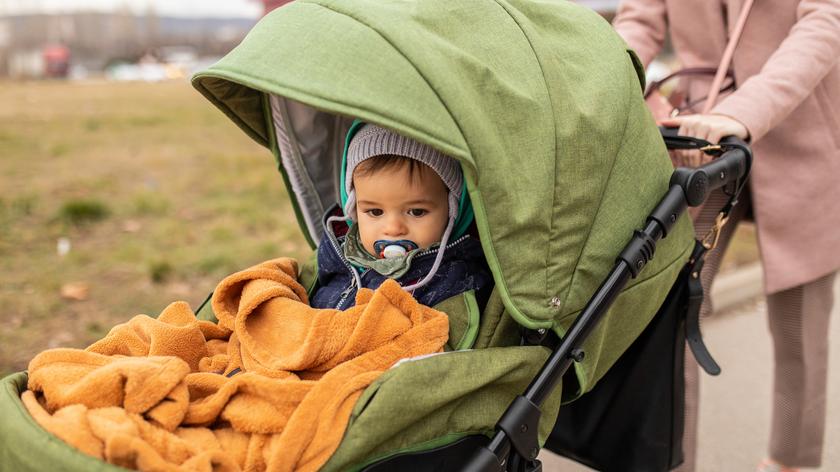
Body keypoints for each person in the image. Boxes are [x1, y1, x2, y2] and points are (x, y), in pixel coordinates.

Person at [612, 1, 840, 471]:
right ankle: (672, 460)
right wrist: (610, 84)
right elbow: (639, 21)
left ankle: (790, 461)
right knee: (674, 313)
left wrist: (746, 109)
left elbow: (825, 22)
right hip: (704, 143)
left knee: (799, 325)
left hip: (803, 133)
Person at [310, 122, 492, 311]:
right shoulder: (335, 251)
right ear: (353, 208)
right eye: (375, 212)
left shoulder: (457, 282)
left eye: (416, 211)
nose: (393, 228)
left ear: (453, 208)